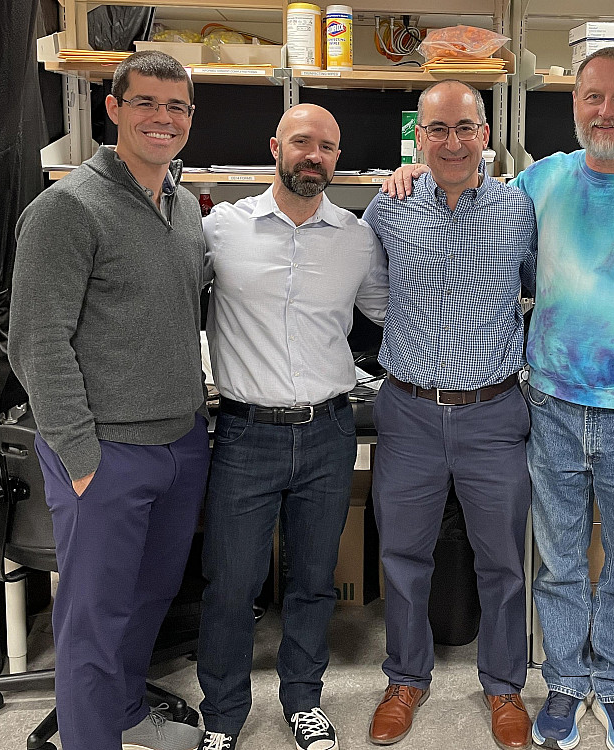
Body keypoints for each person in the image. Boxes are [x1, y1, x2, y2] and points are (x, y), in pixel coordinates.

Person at [383, 47, 614, 750]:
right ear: (574, 104)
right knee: (556, 563)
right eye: (593, 98)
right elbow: (463, 192)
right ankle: (561, 685)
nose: (606, 112)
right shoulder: (543, 181)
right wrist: (411, 172)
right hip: (551, 403)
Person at [8, 51, 209, 750]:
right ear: (113, 109)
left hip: (181, 443)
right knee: (93, 620)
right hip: (107, 454)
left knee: (149, 602)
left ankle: (125, 712)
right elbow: (35, 344)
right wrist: (81, 456)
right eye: (147, 102)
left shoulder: (182, 208)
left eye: (177, 106)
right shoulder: (66, 209)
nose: (163, 118)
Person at [196, 104, 388, 750]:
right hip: (246, 434)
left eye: (328, 147)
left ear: (339, 158)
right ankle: (222, 713)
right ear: (275, 146)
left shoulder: (356, 237)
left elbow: (392, 310)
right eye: (303, 142)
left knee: (312, 582)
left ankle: (304, 700)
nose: (315, 156)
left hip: (329, 432)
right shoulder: (223, 228)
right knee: (231, 583)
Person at [362, 79, 537, 750]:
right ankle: (405, 679)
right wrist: (410, 338)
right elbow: (372, 292)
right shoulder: (389, 206)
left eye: (464, 127)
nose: (452, 141)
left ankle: (503, 688)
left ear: (485, 134)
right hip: (407, 411)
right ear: (419, 139)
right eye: (437, 130)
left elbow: (534, 291)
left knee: (501, 563)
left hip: (494, 414)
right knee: (404, 555)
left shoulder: (520, 210)